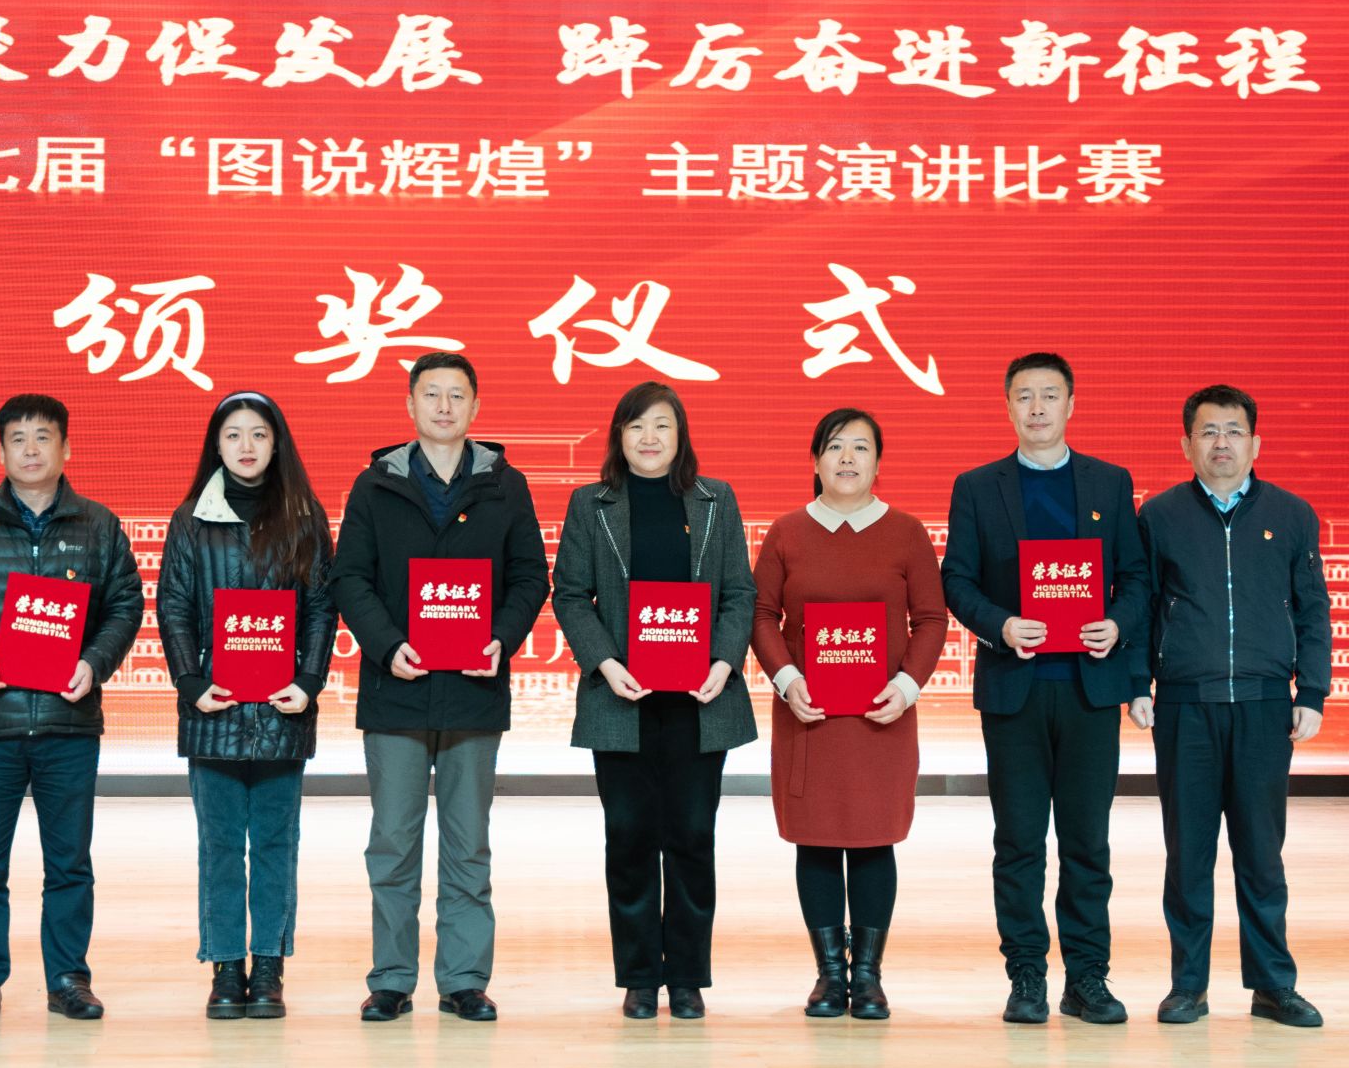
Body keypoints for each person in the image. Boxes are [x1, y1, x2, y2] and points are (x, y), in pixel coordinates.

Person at [330, 352, 550, 1023]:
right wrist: (386, 645)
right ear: (410, 404)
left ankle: (463, 979)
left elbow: (530, 576)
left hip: (473, 690)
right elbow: (349, 578)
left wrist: (501, 639)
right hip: (396, 689)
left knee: (467, 844)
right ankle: (391, 979)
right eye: (432, 394)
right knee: (393, 843)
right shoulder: (375, 484)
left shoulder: (505, 485)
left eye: (457, 395)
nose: (445, 406)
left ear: (476, 407)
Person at [940, 353, 1151, 1025]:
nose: (1037, 407)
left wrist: (1117, 624)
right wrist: (1001, 624)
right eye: (1025, 396)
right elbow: (957, 580)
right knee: (1019, 842)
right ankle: (1026, 974)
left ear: (1070, 405)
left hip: (1090, 690)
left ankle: (1087, 977)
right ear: (1007, 406)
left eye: (1050, 395)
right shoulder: (978, 487)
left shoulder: (1110, 482)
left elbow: (1136, 576)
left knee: (1087, 843)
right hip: (1016, 689)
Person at [0, 394, 144, 1024]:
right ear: (0, 451)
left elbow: (125, 605)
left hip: (69, 724)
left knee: (69, 863)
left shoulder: (99, 525)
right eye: (17, 439)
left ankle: (68, 978)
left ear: (66, 448)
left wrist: (94, 663)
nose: (30, 450)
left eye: (43, 437)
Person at [551, 382, 757, 1021]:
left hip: (700, 698)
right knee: (630, 838)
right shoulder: (590, 504)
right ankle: (640, 977)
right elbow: (570, 593)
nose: (649, 438)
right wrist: (605, 664)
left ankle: (687, 977)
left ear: (680, 435)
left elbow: (739, 593)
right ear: (619, 435)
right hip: (622, 698)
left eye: (662, 426)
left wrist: (724, 661)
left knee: (693, 837)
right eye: (637, 426)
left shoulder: (716, 500)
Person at [1138, 385, 1330, 1029]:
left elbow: (1313, 609)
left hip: (1264, 705)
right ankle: (1187, 986)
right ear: (1186, 443)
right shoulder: (1159, 516)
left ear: (1255, 442)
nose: (1221, 443)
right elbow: (1140, 609)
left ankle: (1273, 985)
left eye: (1233, 431)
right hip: (1185, 707)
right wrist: (1138, 684)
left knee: (1261, 854)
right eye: (1208, 431)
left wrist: (1313, 692)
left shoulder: (1292, 514)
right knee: (1187, 855)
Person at [750, 408, 947, 1021]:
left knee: (872, 840)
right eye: (835, 446)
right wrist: (787, 679)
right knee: (815, 841)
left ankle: (868, 978)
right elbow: (761, 616)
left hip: (880, 716)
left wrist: (907, 686)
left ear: (878, 462)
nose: (847, 458)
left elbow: (931, 618)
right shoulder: (787, 532)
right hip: (808, 715)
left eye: (861, 447)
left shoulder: (906, 532)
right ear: (815, 460)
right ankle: (829, 977)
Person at [158, 391, 336, 1020]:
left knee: (275, 845)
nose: (246, 446)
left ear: (277, 443)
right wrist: (190, 682)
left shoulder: (305, 516)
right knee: (219, 846)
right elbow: (174, 605)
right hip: (214, 709)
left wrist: (308, 681)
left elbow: (321, 607)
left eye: (258, 434)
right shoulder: (190, 520)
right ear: (216, 445)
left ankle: (268, 967)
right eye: (233, 434)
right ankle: (226, 967)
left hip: (284, 710)